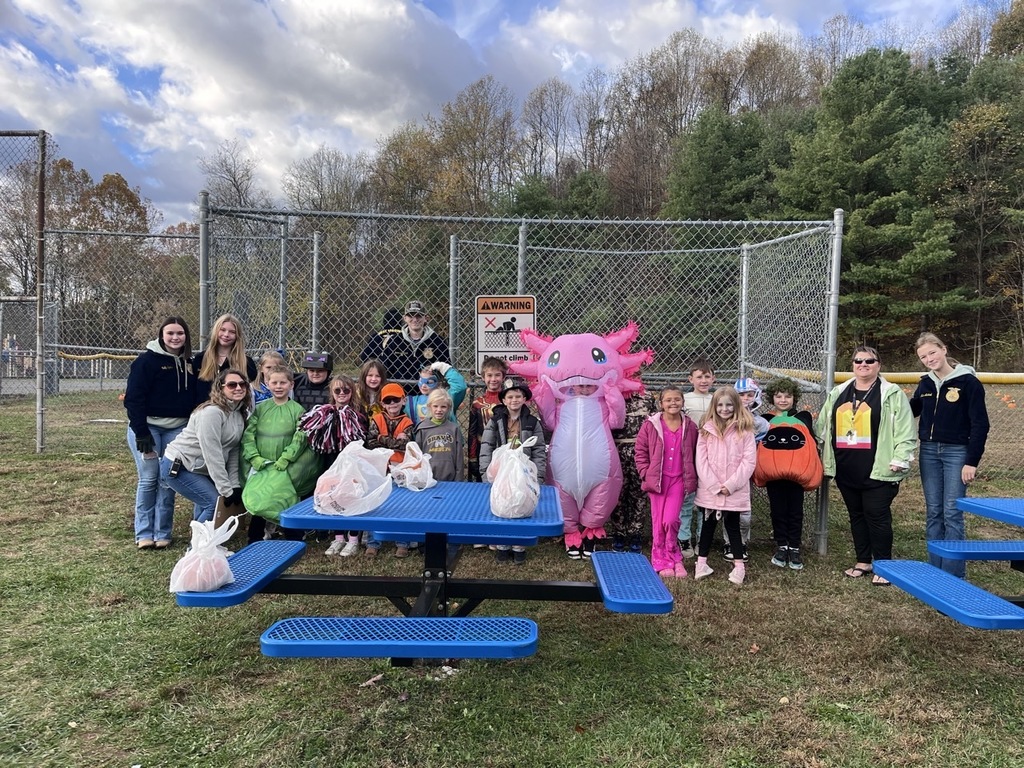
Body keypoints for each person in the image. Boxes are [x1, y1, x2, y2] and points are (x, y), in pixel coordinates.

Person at [817, 346, 916, 586]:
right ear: (852, 365)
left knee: (877, 516)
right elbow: (822, 426)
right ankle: (863, 561)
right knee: (856, 515)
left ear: (879, 364)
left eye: (869, 361)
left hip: (879, 467)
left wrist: (901, 457)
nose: (864, 365)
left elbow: (906, 430)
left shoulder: (891, 393)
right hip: (846, 467)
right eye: (858, 361)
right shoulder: (839, 391)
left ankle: (884, 565)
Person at [910, 332, 990, 578]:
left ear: (944, 349)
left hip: (957, 452)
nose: (929, 359)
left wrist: (971, 461)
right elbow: (911, 410)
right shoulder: (925, 383)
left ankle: (954, 576)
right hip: (929, 452)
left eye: (932, 352)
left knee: (952, 512)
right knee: (934, 511)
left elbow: (980, 425)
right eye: (923, 356)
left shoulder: (968, 382)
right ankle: (936, 572)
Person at [123, 316, 198, 550]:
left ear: (186, 336)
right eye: (170, 333)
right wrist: (141, 432)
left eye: (180, 333)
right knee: (149, 478)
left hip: (177, 428)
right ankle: (144, 533)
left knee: (168, 479)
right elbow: (134, 399)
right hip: (148, 427)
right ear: (161, 336)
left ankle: (162, 532)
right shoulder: (146, 362)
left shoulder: (191, 362)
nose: (175, 338)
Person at [161, 368, 252, 526]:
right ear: (220, 388)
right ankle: (197, 548)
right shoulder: (211, 413)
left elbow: (233, 451)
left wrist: (234, 485)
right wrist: (226, 490)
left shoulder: (238, 413)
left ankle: (209, 546)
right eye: (232, 385)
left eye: (242, 384)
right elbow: (212, 454)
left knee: (210, 503)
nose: (238, 388)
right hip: (179, 466)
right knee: (213, 503)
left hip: (199, 468)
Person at [240, 366, 320, 544]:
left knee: (287, 500)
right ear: (267, 384)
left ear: (291, 384)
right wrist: (254, 457)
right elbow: (249, 435)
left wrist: (286, 458)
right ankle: (255, 538)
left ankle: (294, 537)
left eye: (283, 382)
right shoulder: (261, 409)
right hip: (263, 465)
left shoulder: (297, 410)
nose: (278, 386)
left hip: (284, 467)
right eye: (274, 382)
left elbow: (300, 437)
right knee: (261, 497)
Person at [479, 376, 547, 565]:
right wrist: (486, 472)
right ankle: (502, 545)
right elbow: (487, 446)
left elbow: (539, 450)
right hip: (501, 471)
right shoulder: (496, 421)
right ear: (503, 400)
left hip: (523, 472)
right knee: (503, 505)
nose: (514, 400)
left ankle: (519, 546)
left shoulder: (533, 423)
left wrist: (537, 476)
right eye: (510, 397)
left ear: (525, 399)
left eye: (518, 396)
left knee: (521, 504)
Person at [693, 386, 757, 585]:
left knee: (733, 527)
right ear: (714, 406)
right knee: (707, 525)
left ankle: (739, 567)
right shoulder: (706, 429)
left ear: (736, 405)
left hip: (733, 490)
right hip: (710, 490)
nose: (724, 408)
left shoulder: (745, 430)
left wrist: (730, 485)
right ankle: (701, 564)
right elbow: (700, 461)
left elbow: (749, 461)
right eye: (720, 405)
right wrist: (713, 485)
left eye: (729, 404)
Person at [634, 386, 698, 579]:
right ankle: (660, 559)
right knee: (658, 522)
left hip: (678, 479)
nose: (673, 403)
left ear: (682, 402)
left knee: (670, 520)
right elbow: (640, 451)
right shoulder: (651, 425)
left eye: (677, 399)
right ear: (661, 403)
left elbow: (696, 452)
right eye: (668, 400)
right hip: (657, 481)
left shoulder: (690, 426)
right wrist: (646, 473)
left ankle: (674, 555)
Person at [304, 374, 369, 557]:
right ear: (332, 392)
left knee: (351, 496)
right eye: (337, 390)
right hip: (330, 462)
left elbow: (362, 438)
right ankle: (338, 537)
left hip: (351, 463)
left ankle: (354, 538)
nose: (342, 393)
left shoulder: (358, 413)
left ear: (352, 391)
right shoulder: (324, 412)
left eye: (346, 390)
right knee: (332, 496)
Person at [760, 377, 818, 570]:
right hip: (774, 475)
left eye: (787, 396)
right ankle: (781, 544)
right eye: (778, 396)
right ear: (771, 398)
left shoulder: (802, 417)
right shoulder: (766, 420)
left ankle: (794, 546)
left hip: (796, 475)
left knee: (795, 511)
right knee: (777, 510)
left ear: (795, 397)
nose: (783, 400)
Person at [364, 382, 415, 558]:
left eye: (396, 400)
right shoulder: (377, 419)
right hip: (379, 469)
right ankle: (373, 542)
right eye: (388, 400)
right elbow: (370, 442)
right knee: (376, 504)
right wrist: (392, 441)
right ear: (382, 403)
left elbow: (405, 444)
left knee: (402, 506)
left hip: (401, 469)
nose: (392, 403)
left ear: (403, 400)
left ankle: (402, 543)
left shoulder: (407, 421)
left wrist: (381, 438)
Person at [362, 300, 451, 387]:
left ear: (426, 318)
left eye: (419, 316)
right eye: (410, 316)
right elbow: (386, 369)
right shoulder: (394, 341)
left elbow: (446, 369)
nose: (415, 319)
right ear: (405, 318)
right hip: (399, 393)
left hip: (428, 392)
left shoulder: (438, 341)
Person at [609, 390, 657, 553]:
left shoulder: (647, 397)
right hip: (617, 450)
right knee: (618, 494)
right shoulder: (613, 395)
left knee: (639, 494)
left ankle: (635, 533)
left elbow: (655, 422)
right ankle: (619, 533)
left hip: (641, 451)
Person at [728, 377, 770, 561]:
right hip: (727, 469)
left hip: (747, 472)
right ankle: (728, 542)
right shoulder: (724, 418)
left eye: (750, 395)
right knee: (727, 508)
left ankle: (742, 542)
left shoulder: (760, 423)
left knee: (744, 509)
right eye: (741, 395)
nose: (745, 398)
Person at [678, 357, 715, 557]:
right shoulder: (684, 400)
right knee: (686, 498)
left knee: (706, 500)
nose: (703, 381)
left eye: (707, 376)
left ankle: (703, 539)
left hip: (711, 457)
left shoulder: (716, 400)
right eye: (699, 377)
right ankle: (684, 539)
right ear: (690, 379)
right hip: (689, 456)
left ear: (713, 379)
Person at [193, 313, 258, 403]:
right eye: (222, 330)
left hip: (234, 412)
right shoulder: (200, 359)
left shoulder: (246, 363)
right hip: (205, 411)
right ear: (216, 331)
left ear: (237, 335)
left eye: (232, 332)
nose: (226, 334)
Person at [468, 356, 509, 482]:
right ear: (483, 377)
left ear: (503, 377)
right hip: (483, 450)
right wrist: (473, 457)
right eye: (489, 375)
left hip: (506, 449)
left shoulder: (510, 401)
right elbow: (472, 433)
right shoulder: (477, 403)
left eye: (497, 375)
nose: (493, 379)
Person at [414, 388, 465, 482]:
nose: (439, 410)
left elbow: (459, 459)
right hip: (428, 479)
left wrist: (459, 481)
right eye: (435, 406)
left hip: (450, 479)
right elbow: (417, 457)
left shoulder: (454, 429)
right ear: (429, 407)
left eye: (443, 407)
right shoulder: (422, 429)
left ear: (449, 408)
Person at [407, 361, 467, 426]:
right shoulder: (412, 401)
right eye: (421, 381)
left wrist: (445, 369)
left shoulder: (446, 398)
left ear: (439, 383)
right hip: (421, 435)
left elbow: (460, 387)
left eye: (429, 382)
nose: (423, 385)